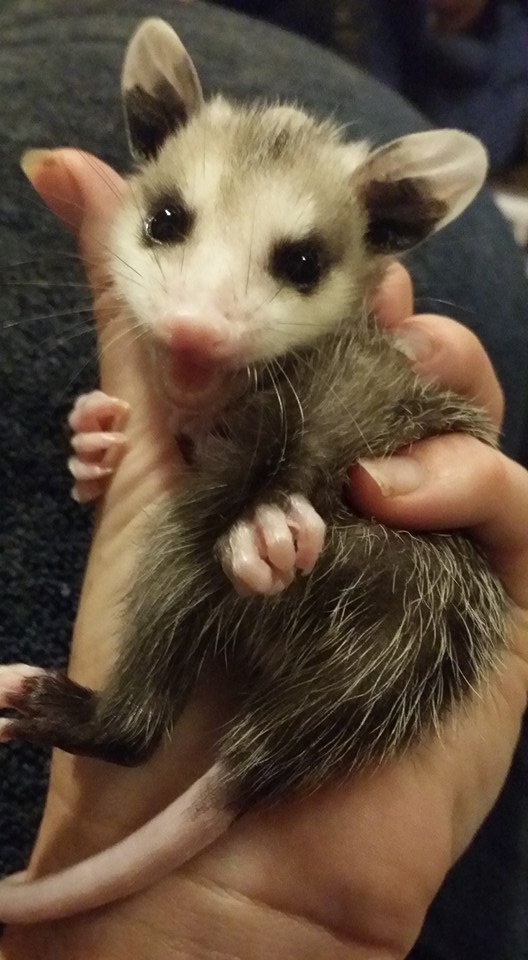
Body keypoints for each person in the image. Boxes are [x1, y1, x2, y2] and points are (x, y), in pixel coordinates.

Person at [1, 3, 528, 958]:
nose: (197, 319)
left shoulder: (334, 380)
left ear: (385, 235)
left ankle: (120, 717)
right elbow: (175, 493)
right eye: (168, 224)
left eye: (292, 262)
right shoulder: (202, 401)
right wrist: (112, 464)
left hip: (361, 609)